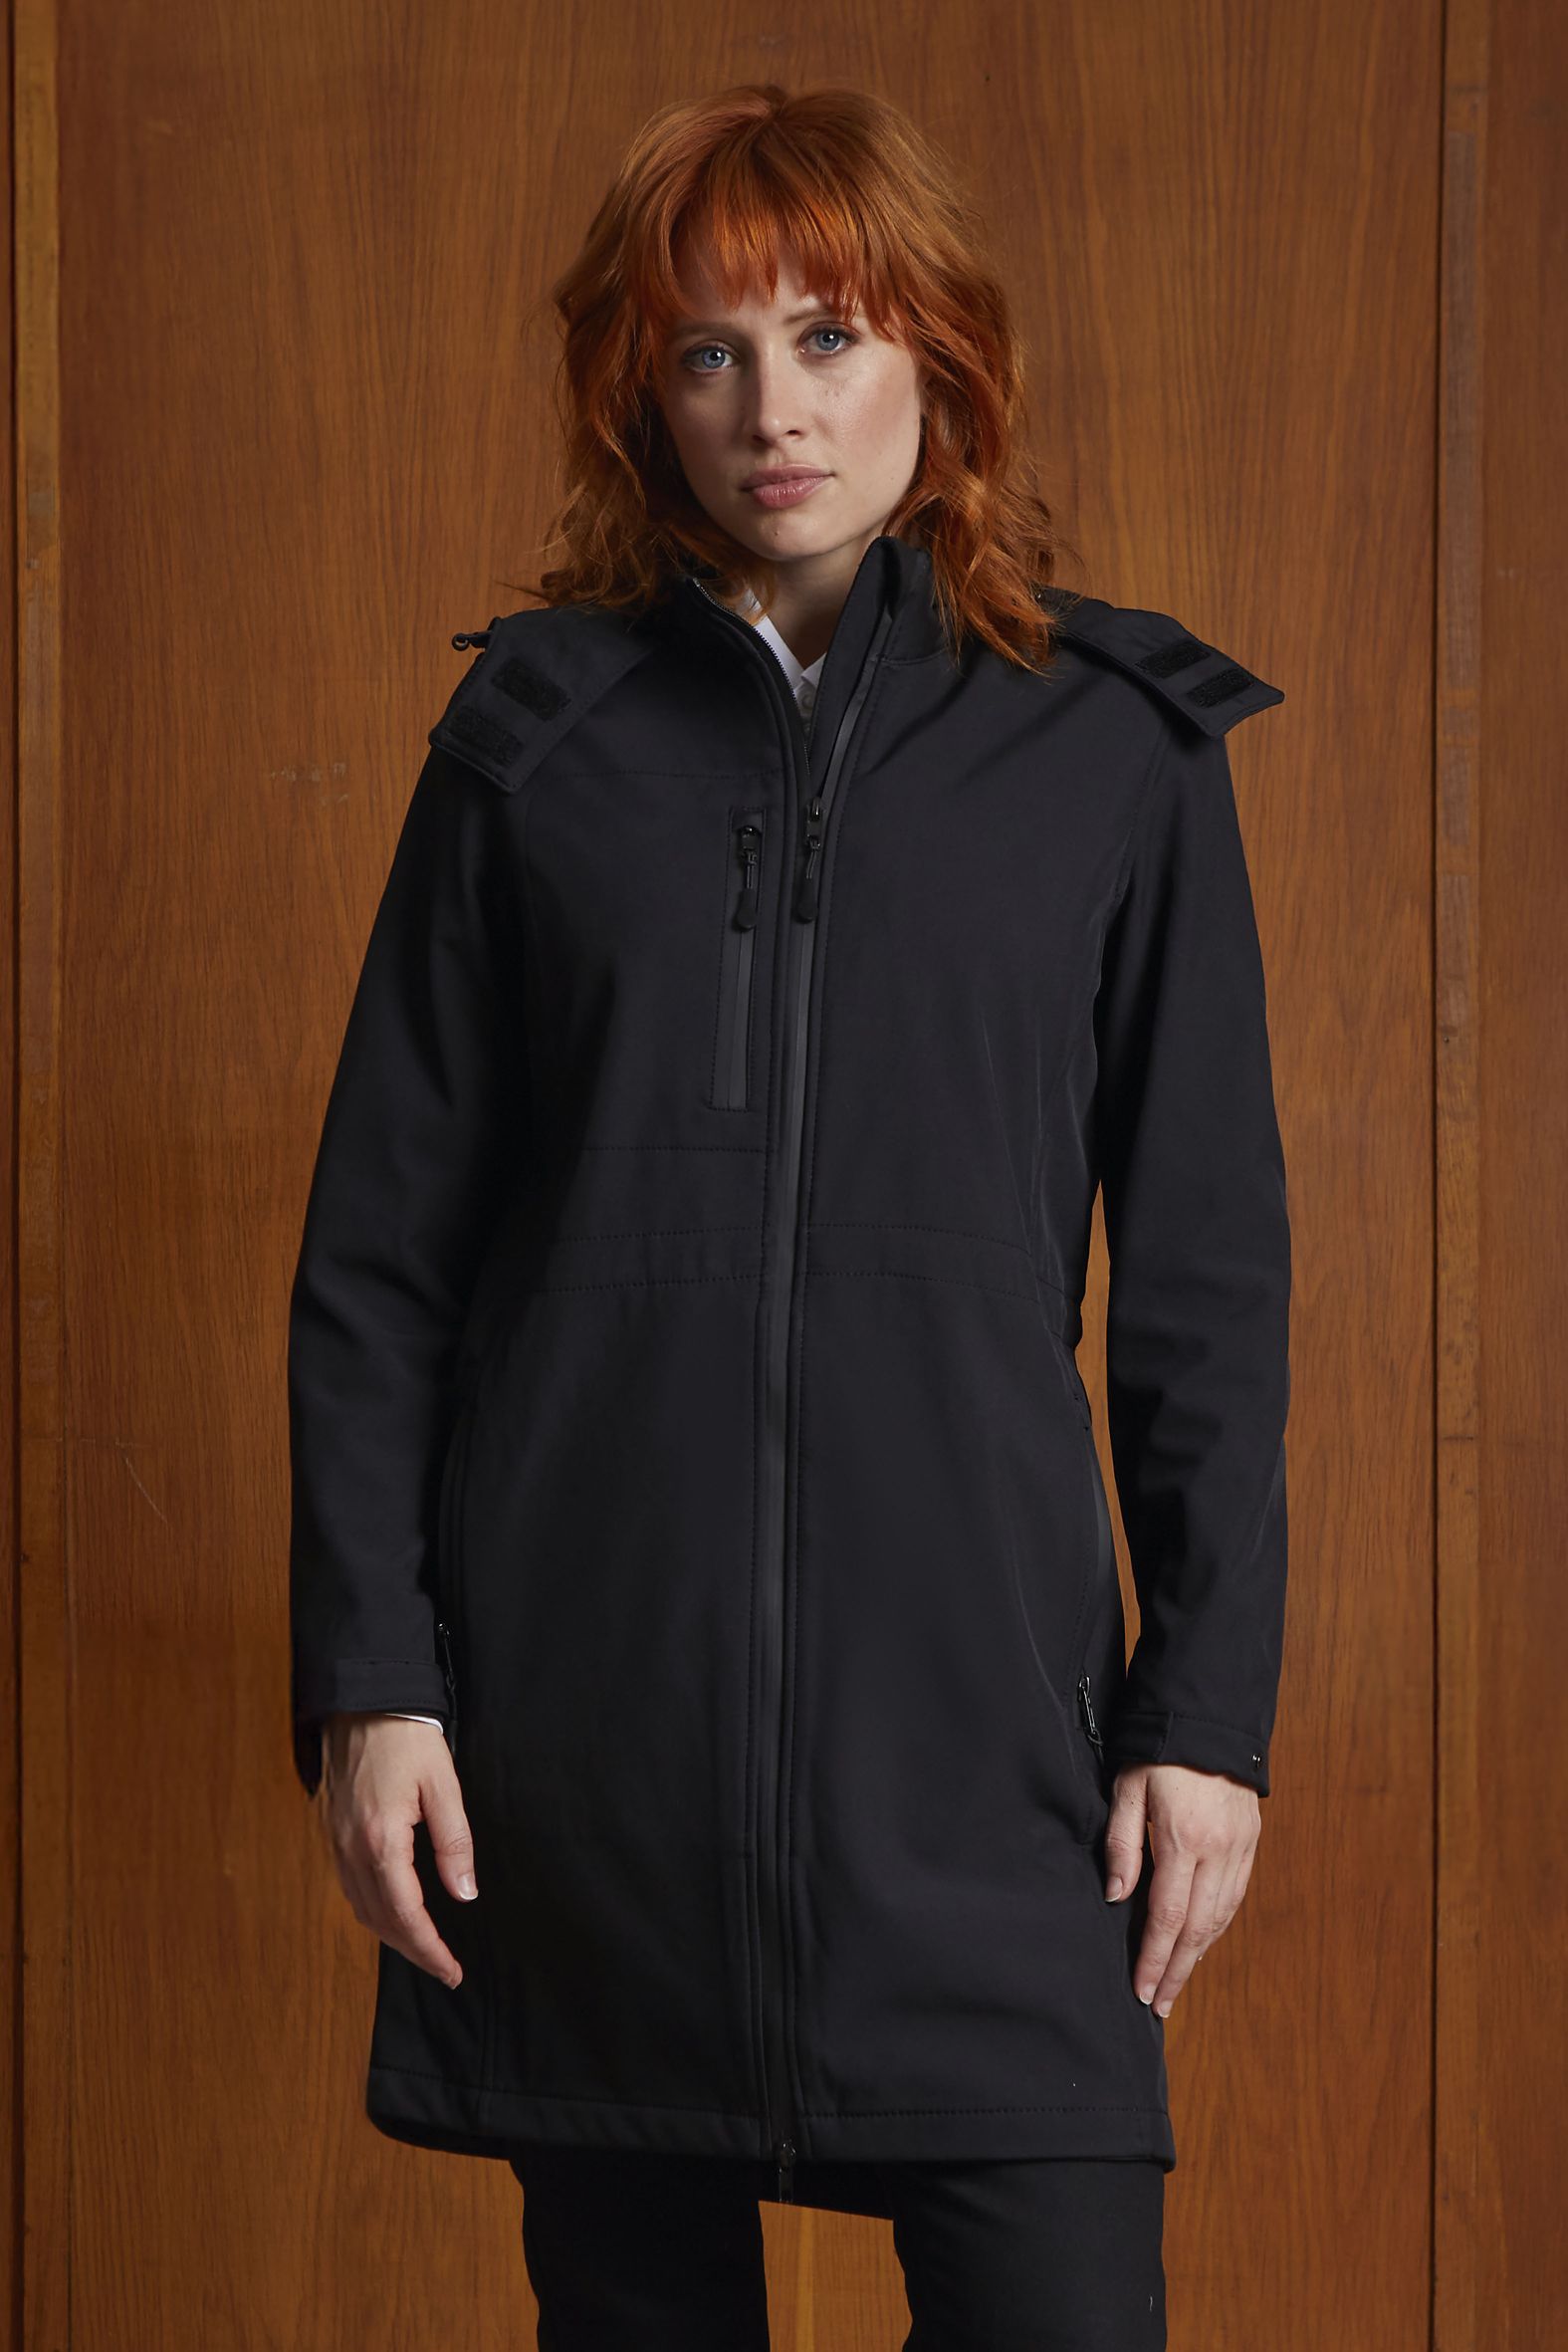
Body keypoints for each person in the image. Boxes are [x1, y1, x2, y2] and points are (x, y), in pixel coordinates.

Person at [288, 79, 1290, 2351]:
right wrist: (373, 1678)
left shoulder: (1114, 751)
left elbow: (1208, 1287)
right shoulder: (529, 747)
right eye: (708, 350)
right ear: (637, 389)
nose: (773, 409)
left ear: (937, 349)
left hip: (988, 1769)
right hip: (586, 1758)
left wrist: (1206, 1712)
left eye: (829, 335)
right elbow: (377, 1270)